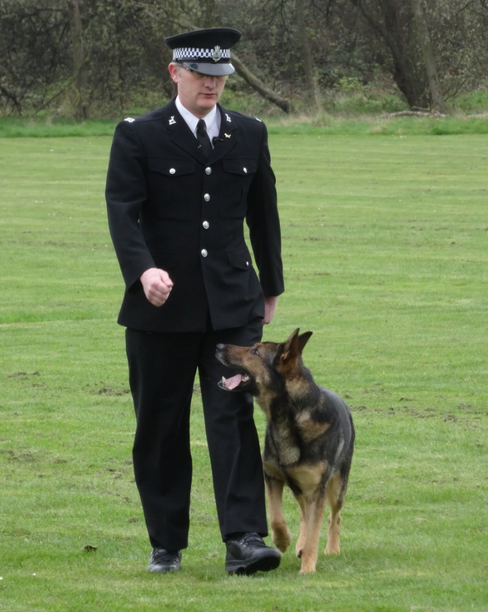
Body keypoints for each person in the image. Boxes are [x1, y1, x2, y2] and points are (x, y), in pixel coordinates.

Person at [105, 27, 284, 575]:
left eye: (220, 76)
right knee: (159, 425)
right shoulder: (139, 135)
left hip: (232, 303)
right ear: (175, 73)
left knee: (233, 417)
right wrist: (143, 272)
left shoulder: (249, 133)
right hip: (161, 308)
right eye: (202, 75)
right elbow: (122, 209)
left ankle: (245, 539)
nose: (212, 84)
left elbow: (263, 212)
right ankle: (166, 544)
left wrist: (270, 285)